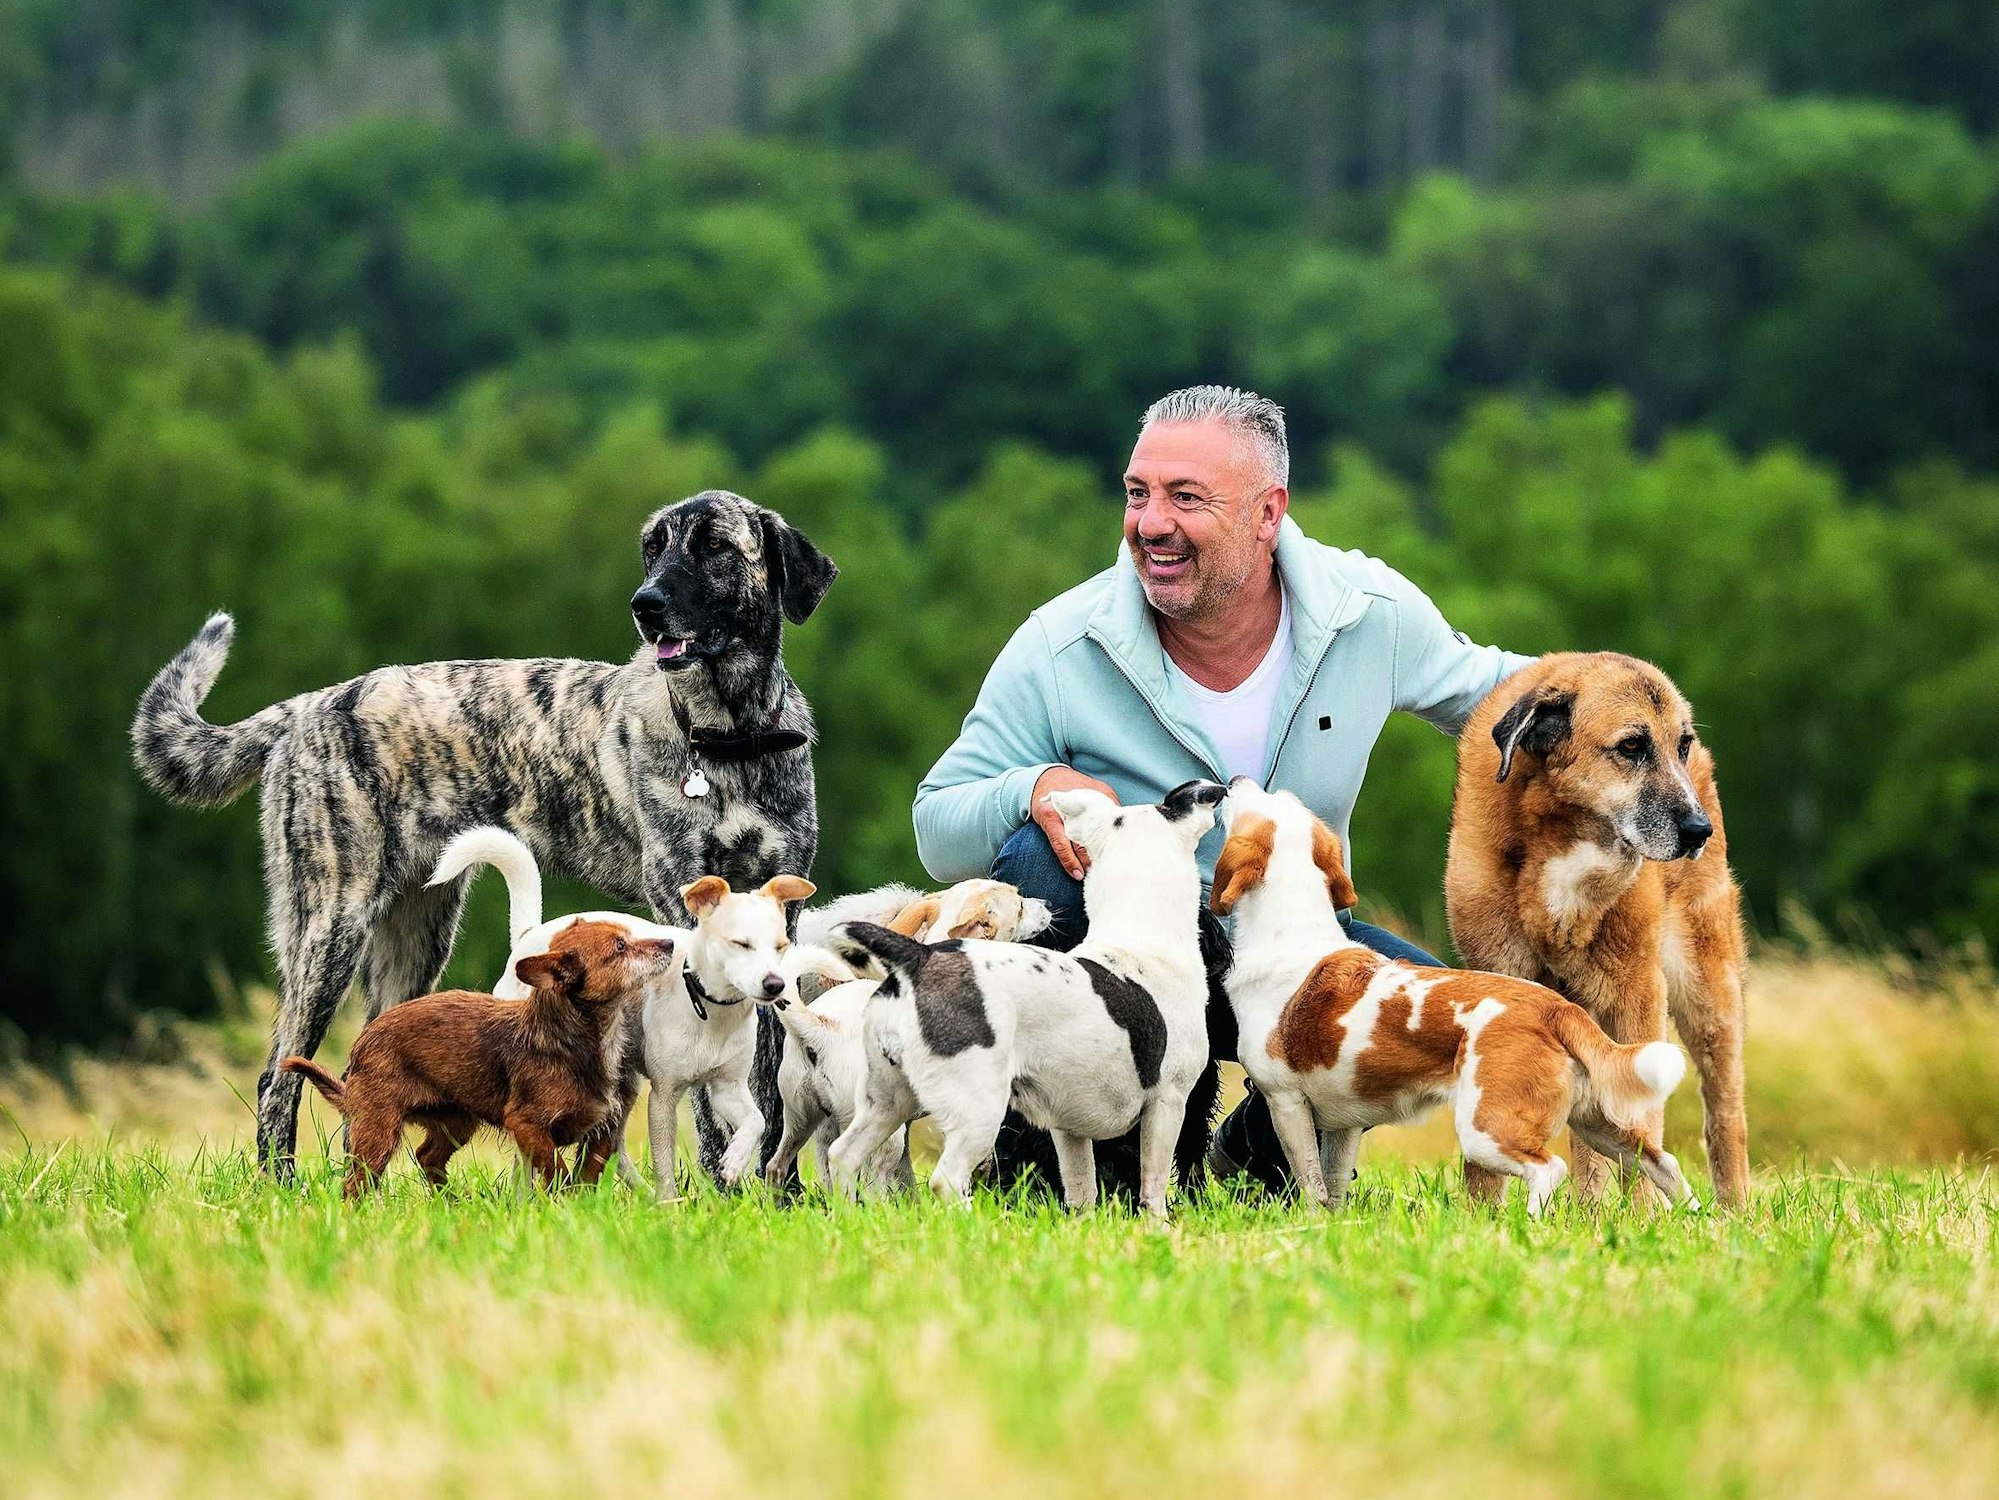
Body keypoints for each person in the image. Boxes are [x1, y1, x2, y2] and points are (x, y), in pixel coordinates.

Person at [912, 385, 1534, 1191]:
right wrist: (1031, 784)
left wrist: (1646, 731)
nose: (1149, 522)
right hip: (1130, 967)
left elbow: (1512, 697)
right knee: (1039, 853)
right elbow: (937, 827)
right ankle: (1052, 1168)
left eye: (1184, 498)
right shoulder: (1060, 646)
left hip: (1299, 954)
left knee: (1475, 1019)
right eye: (1137, 494)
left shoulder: (1367, 613)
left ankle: (1252, 1146)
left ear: (1267, 514)